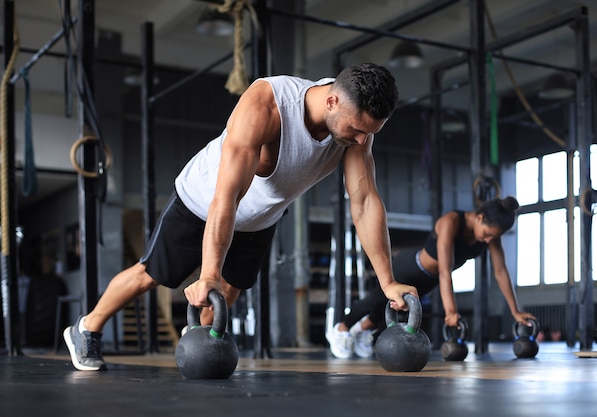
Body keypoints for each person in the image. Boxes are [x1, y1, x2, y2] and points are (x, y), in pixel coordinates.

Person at [63, 62, 418, 371]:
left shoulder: (357, 129)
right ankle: (87, 329)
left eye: (368, 134)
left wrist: (387, 282)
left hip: (262, 216)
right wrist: (208, 272)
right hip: (203, 203)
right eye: (356, 130)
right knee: (151, 275)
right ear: (331, 100)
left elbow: (365, 201)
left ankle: (198, 343)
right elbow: (227, 196)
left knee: (230, 288)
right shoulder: (268, 105)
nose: (360, 140)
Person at [326, 196, 537, 359]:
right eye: (489, 233)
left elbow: (501, 272)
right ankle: (340, 330)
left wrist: (515, 311)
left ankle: (359, 332)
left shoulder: (490, 237)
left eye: (494, 237)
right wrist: (451, 312)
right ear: (480, 217)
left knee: (392, 310)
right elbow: (446, 270)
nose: (489, 239)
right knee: (374, 301)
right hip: (410, 266)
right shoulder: (451, 221)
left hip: (429, 279)